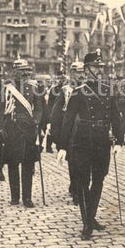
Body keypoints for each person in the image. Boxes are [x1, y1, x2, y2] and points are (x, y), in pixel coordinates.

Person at [59, 50, 123, 240]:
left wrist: (119, 140)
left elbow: (116, 117)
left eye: (100, 67)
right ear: (87, 70)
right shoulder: (78, 93)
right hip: (83, 141)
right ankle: (87, 223)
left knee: (99, 179)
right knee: (83, 181)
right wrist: (62, 146)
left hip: (101, 141)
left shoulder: (107, 90)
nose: (99, 70)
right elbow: (68, 121)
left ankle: (91, 216)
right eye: (96, 67)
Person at [0, 59, 43, 208]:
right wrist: (0, 128)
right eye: (21, 70)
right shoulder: (7, 88)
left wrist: (36, 121)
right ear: (14, 71)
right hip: (12, 129)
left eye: (26, 70)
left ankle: (27, 198)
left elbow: (39, 108)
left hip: (28, 129)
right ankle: (15, 197)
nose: (24, 73)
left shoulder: (34, 87)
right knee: (13, 165)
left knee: (28, 165)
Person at [51, 62, 86, 204]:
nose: (81, 75)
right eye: (78, 72)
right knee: (73, 162)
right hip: (70, 131)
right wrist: (57, 135)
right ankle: (76, 190)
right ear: (71, 73)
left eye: (83, 71)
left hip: (84, 130)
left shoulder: (87, 89)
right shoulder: (66, 91)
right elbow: (57, 113)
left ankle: (79, 187)